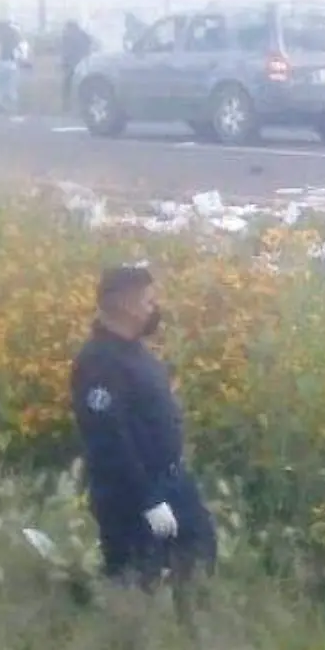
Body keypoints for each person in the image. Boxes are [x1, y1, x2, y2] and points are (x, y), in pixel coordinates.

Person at [68, 264, 217, 618]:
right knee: (136, 581)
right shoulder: (99, 363)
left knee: (197, 562)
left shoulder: (134, 351)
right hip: (130, 494)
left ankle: (191, 647)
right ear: (123, 305)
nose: (155, 308)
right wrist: (148, 499)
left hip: (171, 483)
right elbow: (110, 442)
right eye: (148, 301)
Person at [58, 20, 94, 113]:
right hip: (83, 65)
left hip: (73, 65)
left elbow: (66, 51)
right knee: (82, 86)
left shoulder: (68, 37)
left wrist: (64, 62)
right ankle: (83, 106)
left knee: (68, 86)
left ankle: (67, 107)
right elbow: (89, 48)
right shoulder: (84, 36)